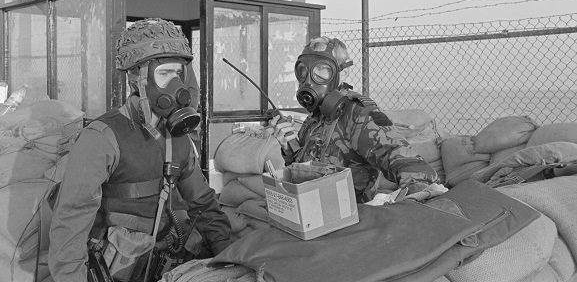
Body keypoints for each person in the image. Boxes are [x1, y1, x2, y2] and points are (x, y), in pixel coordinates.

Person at [48, 18, 232, 281]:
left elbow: (203, 204)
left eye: (178, 74)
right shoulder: (102, 138)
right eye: (164, 74)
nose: (176, 86)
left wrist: (229, 258)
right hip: (115, 268)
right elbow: (70, 224)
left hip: (162, 262)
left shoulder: (178, 138)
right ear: (137, 79)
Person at [270, 36, 439, 203]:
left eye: (321, 69)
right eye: (304, 71)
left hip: (352, 220)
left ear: (342, 72)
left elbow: (409, 164)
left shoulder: (359, 114)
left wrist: (412, 202)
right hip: (313, 212)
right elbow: (304, 169)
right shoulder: (314, 118)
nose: (309, 79)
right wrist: (289, 147)